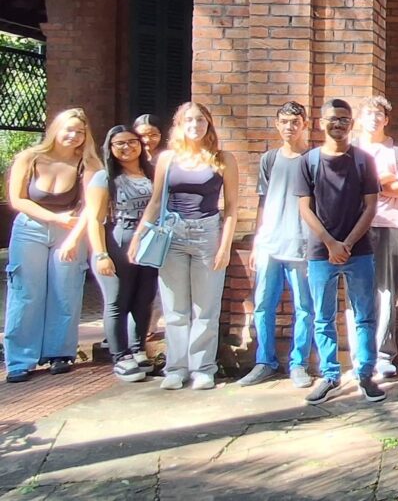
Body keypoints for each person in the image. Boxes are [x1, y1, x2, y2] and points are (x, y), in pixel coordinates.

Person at [128, 102, 238, 391]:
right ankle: (176, 368)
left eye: (200, 120)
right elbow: (155, 201)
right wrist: (140, 235)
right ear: (179, 125)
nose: (195, 125)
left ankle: (203, 368)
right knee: (175, 308)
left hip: (207, 233)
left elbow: (232, 208)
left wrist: (224, 246)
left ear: (208, 124)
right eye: (188, 120)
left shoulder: (222, 158)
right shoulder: (167, 159)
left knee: (205, 308)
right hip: (173, 234)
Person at [295, 98, 386, 405]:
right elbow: (304, 209)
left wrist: (347, 243)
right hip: (321, 251)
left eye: (345, 120)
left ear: (352, 124)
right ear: (322, 123)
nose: (339, 124)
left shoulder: (363, 160)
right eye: (333, 119)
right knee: (323, 317)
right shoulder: (307, 162)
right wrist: (331, 243)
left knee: (364, 317)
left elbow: (371, 206)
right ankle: (330, 375)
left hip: (359, 251)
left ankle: (365, 374)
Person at [4, 108, 101, 382]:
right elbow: (17, 199)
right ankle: (20, 360)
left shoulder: (88, 164)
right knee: (26, 292)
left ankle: (60, 353)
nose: (74, 136)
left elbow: (91, 206)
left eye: (80, 132)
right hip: (30, 228)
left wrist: (72, 236)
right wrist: (53, 217)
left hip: (70, 231)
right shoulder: (30, 158)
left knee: (65, 290)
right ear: (56, 129)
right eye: (68, 129)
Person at [238, 101, 315, 388]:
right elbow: (262, 201)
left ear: (304, 124)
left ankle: (299, 363)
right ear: (277, 124)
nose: (289, 127)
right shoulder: (269, 159)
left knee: (304, 307)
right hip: (270, 243)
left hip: (301, 244)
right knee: (262, 305)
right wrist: (258, 240)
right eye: (284, 122)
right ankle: (264, 361)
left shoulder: (312, 159)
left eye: (295, 122)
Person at [84, 126, 157, 382]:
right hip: (118, 241)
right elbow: (94, 219)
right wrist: (101, 254)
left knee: (143, 298)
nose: (127, 148)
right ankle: (120, 356)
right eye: (119, 144)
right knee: (118, 301)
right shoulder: (104, 178)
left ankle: (138, 349)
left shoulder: (151, 173)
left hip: (149, 244)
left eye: (132, 141)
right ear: (110, 149)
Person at [352, 95, 398, 379]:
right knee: (357, 292)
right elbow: (349, 187)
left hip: (390, 225)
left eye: (379, 114)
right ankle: (359, 354)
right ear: (360, 118)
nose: (374, 118)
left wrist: (373, 184)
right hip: (355, 227)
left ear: (386, 119)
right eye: (369, 113)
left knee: (388, 291)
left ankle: (384, 354)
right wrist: (384, 180)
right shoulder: (351, 150)